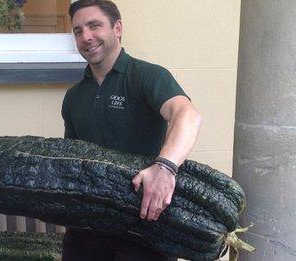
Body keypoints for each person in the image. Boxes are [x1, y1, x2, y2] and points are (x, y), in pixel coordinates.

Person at [61, 0, 202, 260]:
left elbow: (187, 115)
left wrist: (166, 169)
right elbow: (72, 159)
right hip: (87, 229)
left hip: (145, 225)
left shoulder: (148, 76)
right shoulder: (73, 97)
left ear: (117, 28)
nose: (86, 37)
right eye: (78, 31)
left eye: (94, 26)